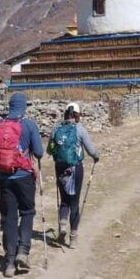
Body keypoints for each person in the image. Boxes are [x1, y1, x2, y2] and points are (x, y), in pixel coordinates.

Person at [0, 92, 43, 277]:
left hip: (3, 178)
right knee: (27, 212)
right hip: (24, 176)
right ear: (24, 106)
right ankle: (23, 252)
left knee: (8, 217)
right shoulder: (29, 124)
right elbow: (39, 152)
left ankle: (9, 263)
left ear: (10, 106)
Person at [48, 102, 99, 249]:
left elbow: (50, 150)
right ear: (77, 115)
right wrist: (96, 157)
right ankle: (73, 238)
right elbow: (90, 149)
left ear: (65, 113)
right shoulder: (79, 129)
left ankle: (62, 224)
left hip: (60, 168)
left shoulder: (56, 128)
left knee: (64, 200)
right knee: (75, 202)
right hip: (75, 169)